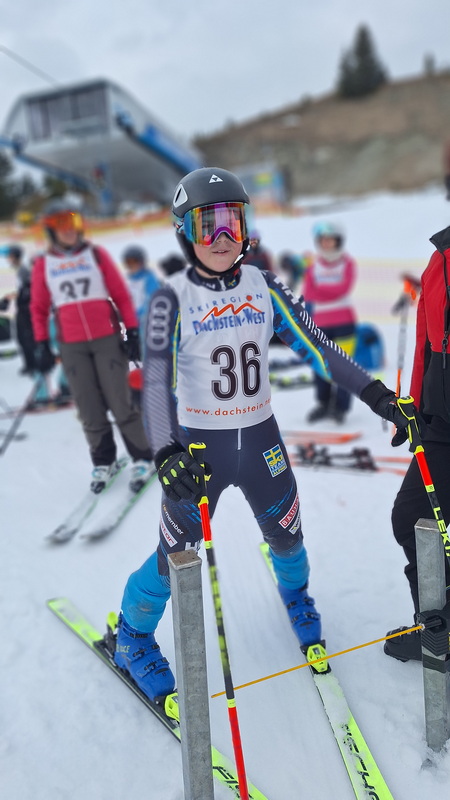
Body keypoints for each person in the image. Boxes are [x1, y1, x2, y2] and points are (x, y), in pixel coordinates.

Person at [110, 166, 412, 702]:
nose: (223, 237)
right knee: (174, 558)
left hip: (261, 442)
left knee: (288, 535)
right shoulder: (170, 299)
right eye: (208, 225)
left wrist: (377, 395)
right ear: (185, 233)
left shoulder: (264, 286)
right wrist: (166, 452)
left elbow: (319, 350)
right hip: (198, 450)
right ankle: (132, 638)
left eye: (233, 221)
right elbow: (155, 381)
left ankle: (296, 595)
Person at [30, 201, 153, 493]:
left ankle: (142, 456)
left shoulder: (96, 255)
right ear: (51, 230)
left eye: (73, 223)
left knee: (120, 401)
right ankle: (103, 460)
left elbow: (121, 294)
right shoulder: (44, 264)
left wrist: (132, 330)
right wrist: (41, 343)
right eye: (62, 224)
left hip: (106, 339)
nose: (69, 230)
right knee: (88, 406)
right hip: (71, 345)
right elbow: (38, 307)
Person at [385, 224, 450, 662]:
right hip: (441, 424)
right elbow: (426, 345)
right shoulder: (440, 258)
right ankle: (439, 626)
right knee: (412, 517)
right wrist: (416, 410)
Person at [302, 221, 359, 424]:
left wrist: (321, 289)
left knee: (343, 368)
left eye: (330, 239)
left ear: (338, 241)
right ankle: (324, 403)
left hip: (344, 323)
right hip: (320, 325)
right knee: (320, 366)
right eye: (323, 240)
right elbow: (308, 294)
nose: (326, 243)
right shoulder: (313, 266)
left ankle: (340, 407)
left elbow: (344, 289)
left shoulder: (348, 263)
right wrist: (329, 291)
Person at [0, 245, 36, 374]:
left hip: (26, 310)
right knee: (21, 338)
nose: (8, 259)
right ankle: (29, 363)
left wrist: (7, 301)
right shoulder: (14, 270)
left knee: (27, 338)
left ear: (15, 256)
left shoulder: (23, 270)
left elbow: (24, 290)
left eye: (10, 256)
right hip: (19, 309)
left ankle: (33, 364)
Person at [122, 245, 160, 344]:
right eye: (128, 262)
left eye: (133, 262)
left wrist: (136, 315)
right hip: (131, 324)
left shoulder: (149, 278)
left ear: (141, 262)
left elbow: (152, 299)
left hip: (146, 323)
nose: (131, 266)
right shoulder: (126, 280)